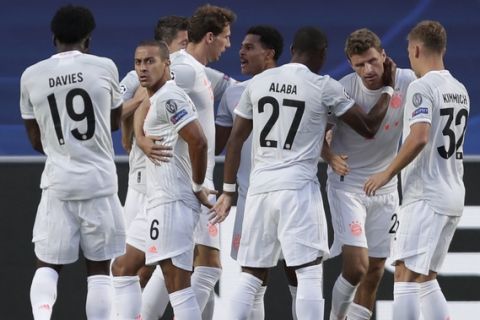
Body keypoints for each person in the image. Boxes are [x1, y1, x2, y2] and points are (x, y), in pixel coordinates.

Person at [210, 26, 396, 320]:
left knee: (251, 276)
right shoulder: (323, 86)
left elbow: (235, 141)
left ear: (293, 49)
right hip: (298, 191)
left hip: (260, 191)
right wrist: (388, 87)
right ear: (322, 54)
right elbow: (369, 127)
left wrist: (229, 191)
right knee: (308, 273)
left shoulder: (259, 83)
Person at [20, 5, 125, 319]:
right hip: (100, 182)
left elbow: (36, 139)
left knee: (48, 265)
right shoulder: (105, 67)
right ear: (88, 40)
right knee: (99, 269)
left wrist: (60, 147)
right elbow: (115, 122)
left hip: (58, 182)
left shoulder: (30, 75)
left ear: (54, 38)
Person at [364, 20, 470, 320]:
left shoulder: (422, 87)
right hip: (452, 193)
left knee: (404, 275)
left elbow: (419, 137)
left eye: (410, 53)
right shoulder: (459, 88)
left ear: (416, 49)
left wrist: (386, 173)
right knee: (426, 277)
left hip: (425, 195)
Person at [142, 4, 236, 315]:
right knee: (203, 267)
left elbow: (239, 90)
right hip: (184, 182)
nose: (229, 44)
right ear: (210, 37)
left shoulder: (197, 70)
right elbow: (148, 97)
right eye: (226, 37)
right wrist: (141, 140)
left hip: (194, 179)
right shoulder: (182, 67)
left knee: (179, 266)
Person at [323, 29, 416, 320]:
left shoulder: (408, 82)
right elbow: (314, 133)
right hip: (347, 185)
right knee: (356, 267)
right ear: (350, 64)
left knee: (375, 271)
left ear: (384, 56)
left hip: (386, 190)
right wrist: (329, 156)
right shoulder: (343, 88)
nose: (368, 70)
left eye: (373, 61)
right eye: (360, 64)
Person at [111, 15, 189, 320]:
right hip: (140, 183)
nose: (186, 49)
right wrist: (139, 108)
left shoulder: (187, 76)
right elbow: (113, 115)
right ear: (167, 45)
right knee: (130, 268)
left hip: (169, 182)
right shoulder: (136, 78)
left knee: (173, 269)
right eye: (183, 43)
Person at [136, 39, 213, 320]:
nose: (142, 68)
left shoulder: (170, 97)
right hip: (165, 200)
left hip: (172, 200)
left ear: (167, 64)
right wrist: (141, 139)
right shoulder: (158, 97)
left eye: (150, 61)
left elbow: (199, 142)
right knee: (173, 281)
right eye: (138, 62)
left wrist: (196, 186)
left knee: (178, 284)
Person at [215, 25, 284, 320]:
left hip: (267, 195)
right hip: (255, 197)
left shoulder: (238, 93)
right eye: (240, 45)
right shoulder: (233, 93)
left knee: (257, 275)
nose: (241, 52)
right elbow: (219, 145)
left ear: (269, 54)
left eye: (249, 47)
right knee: (258, 276)